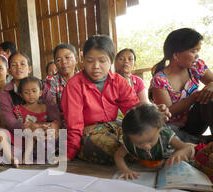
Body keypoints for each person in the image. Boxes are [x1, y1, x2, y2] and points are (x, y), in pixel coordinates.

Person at [61, 35, 140, 164]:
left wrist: (149, 118)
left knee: (144, 137)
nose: (96, 66)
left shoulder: (118, 81)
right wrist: (70, 153)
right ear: (83, 60)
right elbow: (74, 124)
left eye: (102, 61)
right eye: (90, 60)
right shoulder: (74, 85)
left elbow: (134, 110)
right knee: (113, 147)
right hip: (88, 132)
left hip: (115, 125)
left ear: (111, 61)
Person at [151, 28, 213, 144]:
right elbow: (169, 112)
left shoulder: (196, 67)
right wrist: (194, 97)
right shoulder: (160, 80)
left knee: (211, 97)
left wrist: (211, 85)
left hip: (196, 121)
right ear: (176, 55)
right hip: (175, 128)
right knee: (164, 134)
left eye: (198, 51)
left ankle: (202, 142)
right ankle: (199, 142)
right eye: (193, 51)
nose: (197, 56)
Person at [114, 104, 195, 180]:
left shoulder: (165, 136)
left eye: (150, 140)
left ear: (159, 129)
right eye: (139, 143)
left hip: (169, 162)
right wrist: (125, 170)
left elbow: (188, 148)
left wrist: (181, 152)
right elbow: (118, 155)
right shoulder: (130, 141)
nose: (147, 146)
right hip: (153, 165)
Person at [0, 76, 53, 167]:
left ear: (40, 93)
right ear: (21, 95)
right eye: (26, 92)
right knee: (0, 132)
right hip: (20, 138)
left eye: (34, 91)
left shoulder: (45, 108)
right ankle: (11, 158)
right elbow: (16, 126)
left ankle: (26, 158)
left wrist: (38, 127)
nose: (30, 94)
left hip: (37, 140)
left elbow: (49, 124)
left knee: (32, 131)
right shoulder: (18, 109)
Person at [0, 52, 61, 141]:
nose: (18, 67)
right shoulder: (5, 94)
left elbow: (51, 107)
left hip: (44, 130)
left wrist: (55, 123)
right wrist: (28, 128)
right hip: (20, 134)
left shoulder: (41, 86)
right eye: (14, 65)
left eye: (22, 64)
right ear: (9, 71)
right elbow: (10, 121)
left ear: (30, 69)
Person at [44, 43, 79, 116]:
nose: (64, 62)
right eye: (59, 60)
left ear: (76, 59)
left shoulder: (83, 79)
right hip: (60, 120)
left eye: (67, 57)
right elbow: (52, 109)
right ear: (55, 63)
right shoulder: (51, 81)